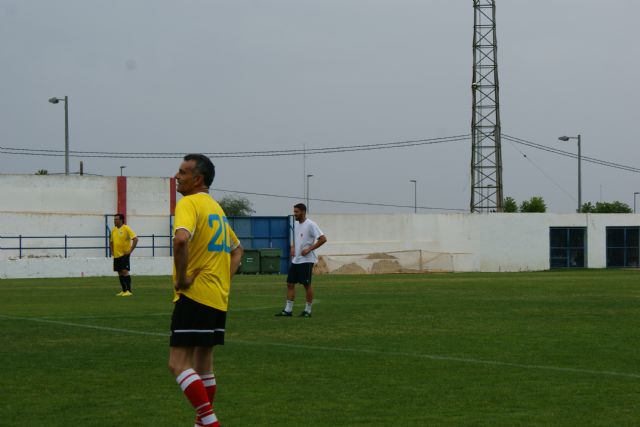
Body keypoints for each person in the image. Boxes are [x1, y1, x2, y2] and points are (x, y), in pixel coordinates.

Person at [168, 154, 243, 427]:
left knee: (177, 363)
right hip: (217, 299)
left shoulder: (189, 203)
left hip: (195, 295)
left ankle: (210, 423)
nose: (177, 176)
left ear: (197, 179)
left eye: (182, 172)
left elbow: (180, 240)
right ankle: (202, 424)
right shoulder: (217, 210)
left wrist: (184, 278)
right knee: (204, 367)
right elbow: (237, 250)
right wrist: (224, 280)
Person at [276, 203, 326, 318]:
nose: (295, 214)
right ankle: (288, 310)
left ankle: (307, 311)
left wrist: (309, 249)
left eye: (296, 212)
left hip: (306, 260)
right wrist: (293, 247)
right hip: (296, 260)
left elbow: (323, 239)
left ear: (303, 212)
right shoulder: (295, 224)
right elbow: (296, 238)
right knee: (290, 283)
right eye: (294, 212)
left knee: (306, 285)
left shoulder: (311, 224)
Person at [109, 213, 138, 296]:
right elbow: (111, 242)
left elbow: (135, 239)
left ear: (121, 220)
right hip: (117, 255)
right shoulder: (113, 230)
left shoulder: (126, 228)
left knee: (125, 271)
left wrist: (130, 250)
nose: (114, 221)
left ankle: (129, 291)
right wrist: (112, 251)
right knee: (119, 272)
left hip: (124, 254)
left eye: (116, 219)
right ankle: (124, 290)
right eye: (114, 219)